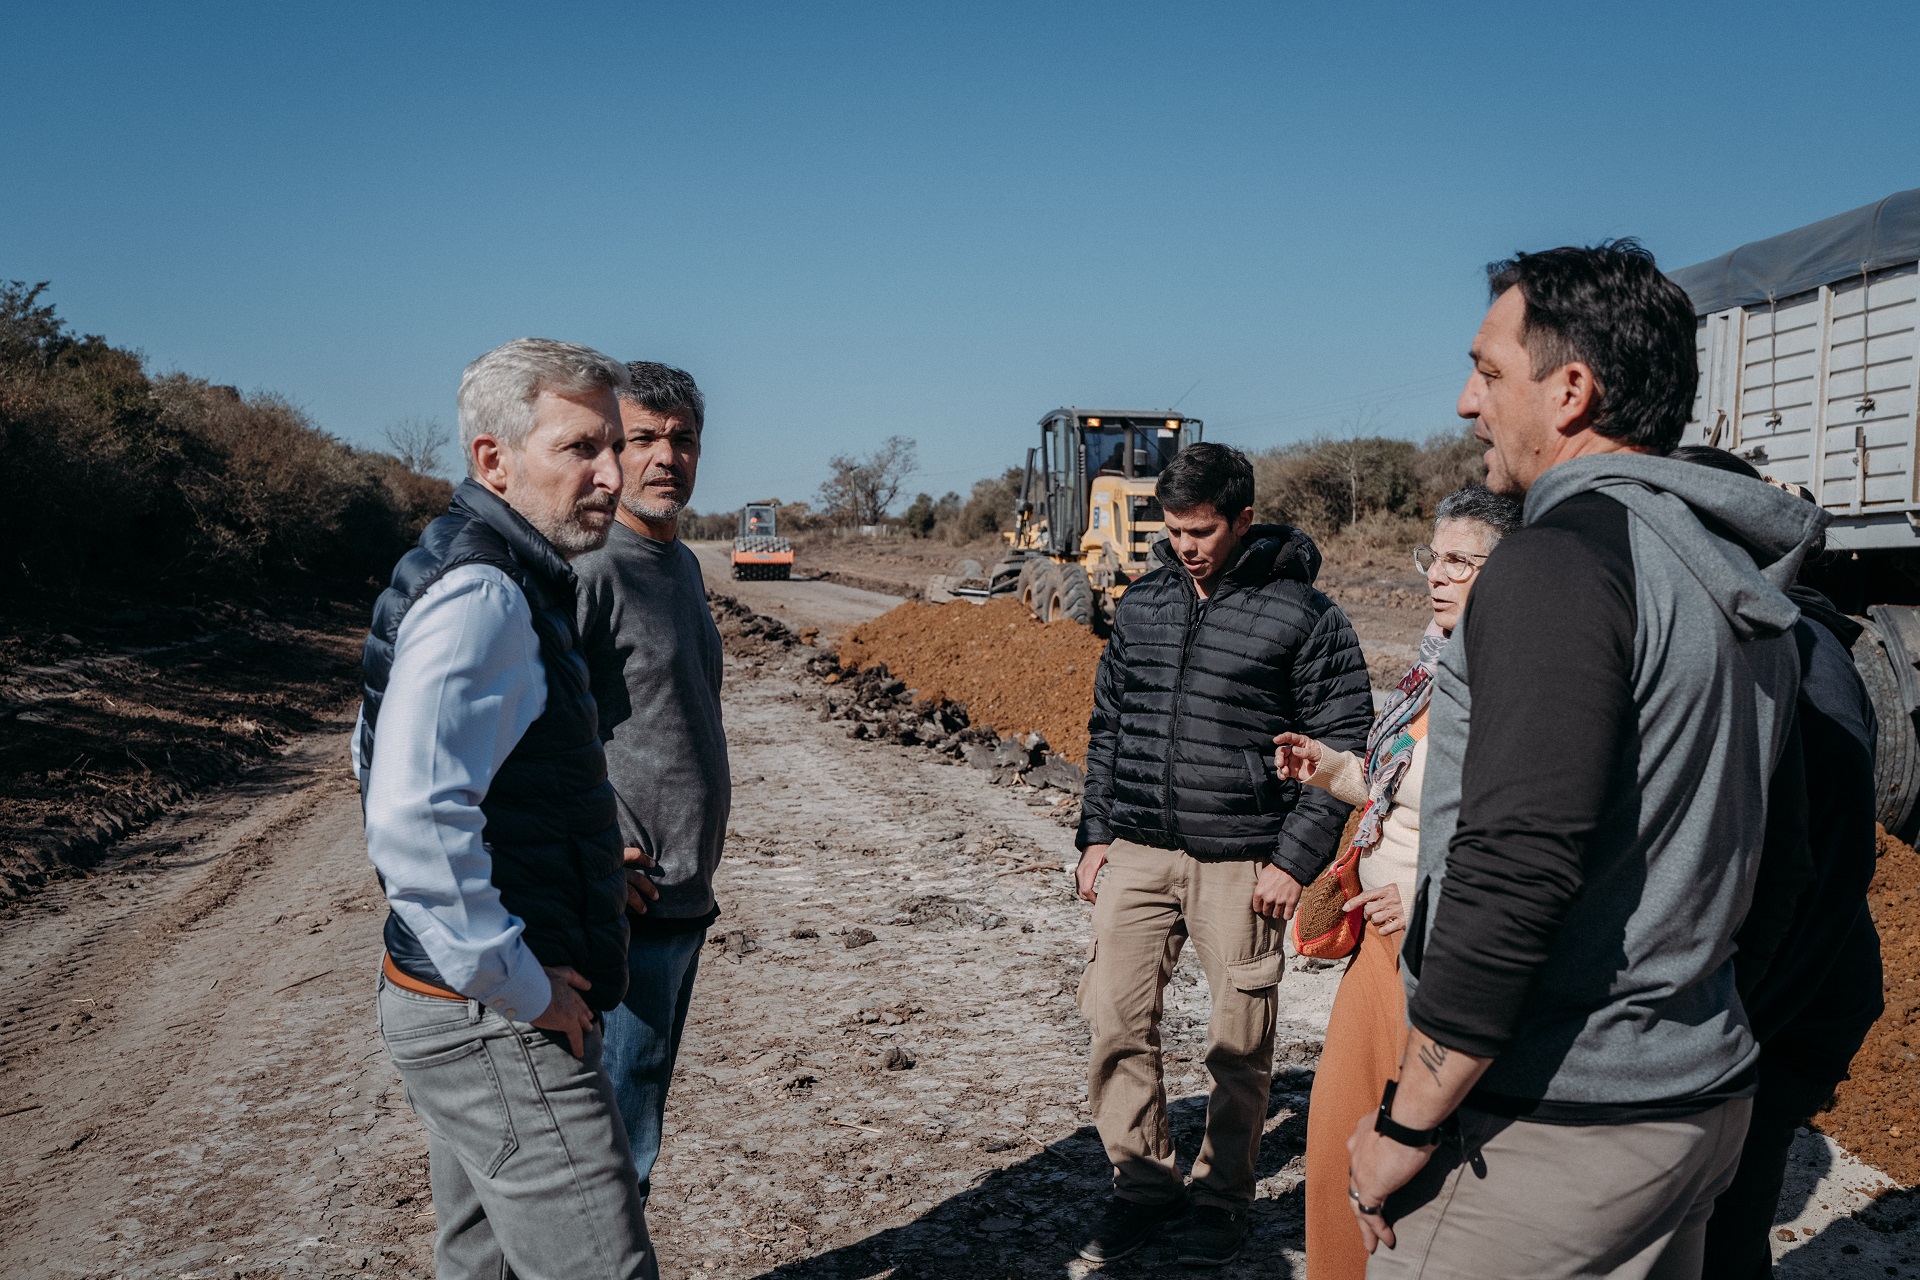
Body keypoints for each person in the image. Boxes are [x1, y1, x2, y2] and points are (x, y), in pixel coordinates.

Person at [1345, 242, 1829, 1280]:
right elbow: (1785, 861)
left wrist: (1408, 1116)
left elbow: (1514, 862)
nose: (1467, 402)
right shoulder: (1727, 579)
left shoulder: (1557, 565)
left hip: (1551, 1127)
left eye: (1488, 371)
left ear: (1569, 391)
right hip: (1695, 1100)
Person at [355, 338, 658, 1280]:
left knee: (480, 1263)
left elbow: (382, 752)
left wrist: (578, 861)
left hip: (458, 1006)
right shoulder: (484, 593)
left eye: (615, 446)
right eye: (581, 449)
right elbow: (411, 817)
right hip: (494, 1021)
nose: (614, 475)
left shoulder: (477, 567)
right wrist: (520, 983)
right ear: (494, 459)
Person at [1074, 441, 1373, 1266]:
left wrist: (1294, 860)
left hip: (1243, 860)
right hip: (1139, 848)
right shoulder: (1144, 603)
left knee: (1237, 1045)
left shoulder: (1304, 615)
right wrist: (1095, 834)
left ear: (1243, 519)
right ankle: (1142, 1187)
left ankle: (1222, 1198)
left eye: (1201, 531)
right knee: (1113, 1020)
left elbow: (1342, 743)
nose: (1185, 547)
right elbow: (1109, 726)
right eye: (1172, 531)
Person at [1272, 485, 1521, 1280]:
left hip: (1438, 955)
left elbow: (1520, 841)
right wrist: (1332, 768)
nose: (1436, 576)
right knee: (1338, 1140)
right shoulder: (1434, 668)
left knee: (1408, 1164)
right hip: (1380, 951)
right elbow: (1404, 793)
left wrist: (1419, 892)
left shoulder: (1515, 682)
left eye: (1460, 562)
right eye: (1432, 558)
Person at [1669, 446, 1884, 1280]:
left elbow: (1814, 876)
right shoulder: (1762, 640)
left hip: (1781, 1009)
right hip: (1770, 1001)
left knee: (1719, 1227)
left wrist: (1726, 1028)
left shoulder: (1798, 661)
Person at [573, 361, 730, 1208]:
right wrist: (595, 849)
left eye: (683, 439)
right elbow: (537, 732)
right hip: (623, 905)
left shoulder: (684, 566)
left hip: (682, 894)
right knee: (609, 1144)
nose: (667, 457)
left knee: (637, 1122)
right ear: (609, 450)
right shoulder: (594, 567)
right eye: (644, 439)